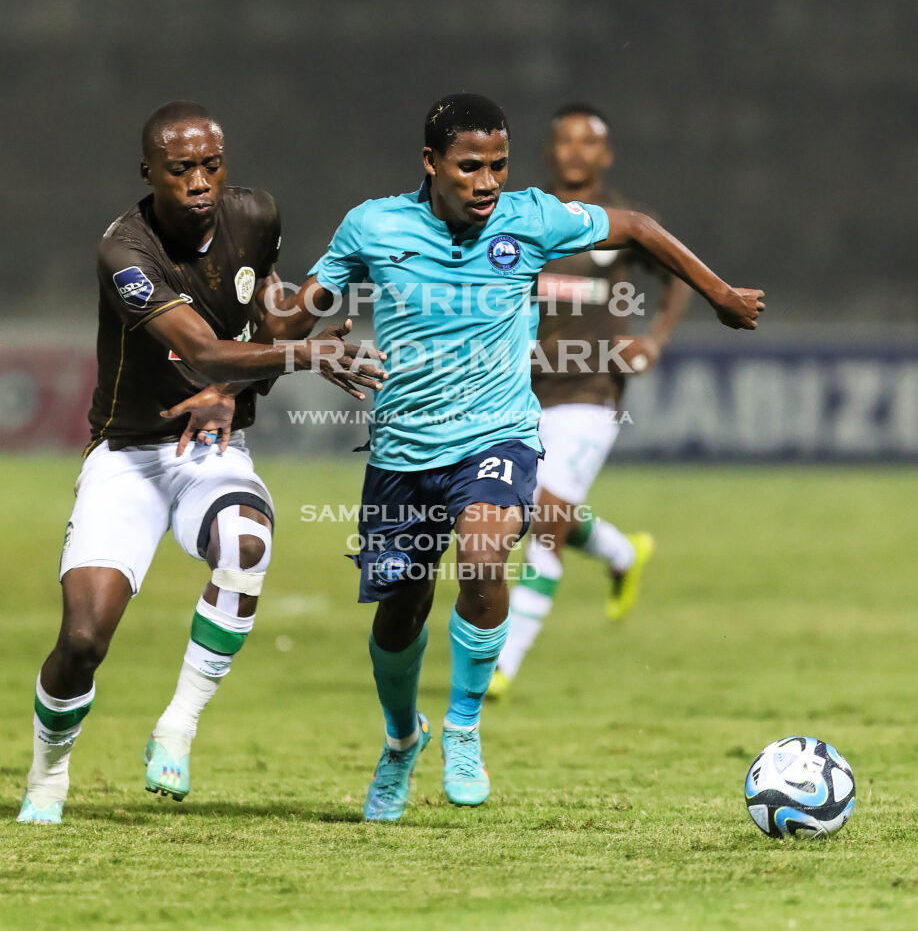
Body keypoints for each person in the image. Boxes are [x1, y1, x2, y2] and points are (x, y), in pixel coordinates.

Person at [169, 92, 763, 822]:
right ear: (431, 162)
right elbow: (292, 319)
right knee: (399, 615)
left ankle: (463, 727)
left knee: (485, 559)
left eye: (499, 165)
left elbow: (636, 226)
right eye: (470, 167)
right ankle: (401, 740)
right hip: (402, 453)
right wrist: (247, 338)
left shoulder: (531, 217)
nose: (488, 183)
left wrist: (720, 294)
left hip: (497, 436)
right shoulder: (373, 226)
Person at [17, 101, 383, 825]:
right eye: (180, 168)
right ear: (148, 172)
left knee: (246, 545)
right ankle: (47, 774)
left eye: (211, 165)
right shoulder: (125, 252)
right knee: (83, 641)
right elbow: (208, 351)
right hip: (128, 455)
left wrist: (325, 287)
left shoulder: (256, 215)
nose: (198, 182)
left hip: (213, 450)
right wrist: (304, 355)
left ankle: (177, 727)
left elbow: (270, 324)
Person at [489, 103, 692, 699]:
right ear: (549, 150)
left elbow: (678, 276)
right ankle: (621, 552)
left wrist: (653, 340)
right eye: (566, 140)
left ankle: (502, 664)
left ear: (605, 155)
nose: (576, 151)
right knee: (528, 509)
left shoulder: (623, 223)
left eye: (589, 142)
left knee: (544, 524)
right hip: (519, 391)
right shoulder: (521, 216)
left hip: (591, 392)